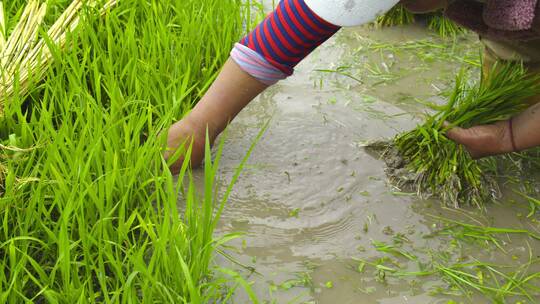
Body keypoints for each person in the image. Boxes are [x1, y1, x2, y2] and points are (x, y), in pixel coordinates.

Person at [165, 0, 540, 172]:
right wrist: (201, 123)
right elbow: (280, 39)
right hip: (512, 25)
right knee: (510, 88)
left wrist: (510, 136)